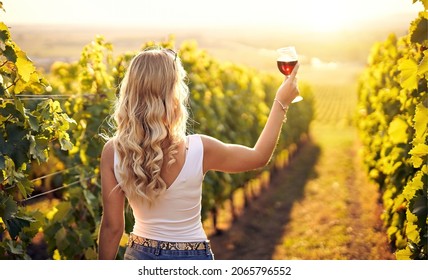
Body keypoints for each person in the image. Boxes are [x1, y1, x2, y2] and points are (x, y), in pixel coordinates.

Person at [98, 47, 300, 260]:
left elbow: (112, 227)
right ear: (173, 94)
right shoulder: (199, 149)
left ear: (130, 91)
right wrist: (281, 103)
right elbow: (259, 156)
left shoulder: (113, 152)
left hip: (139, 256)